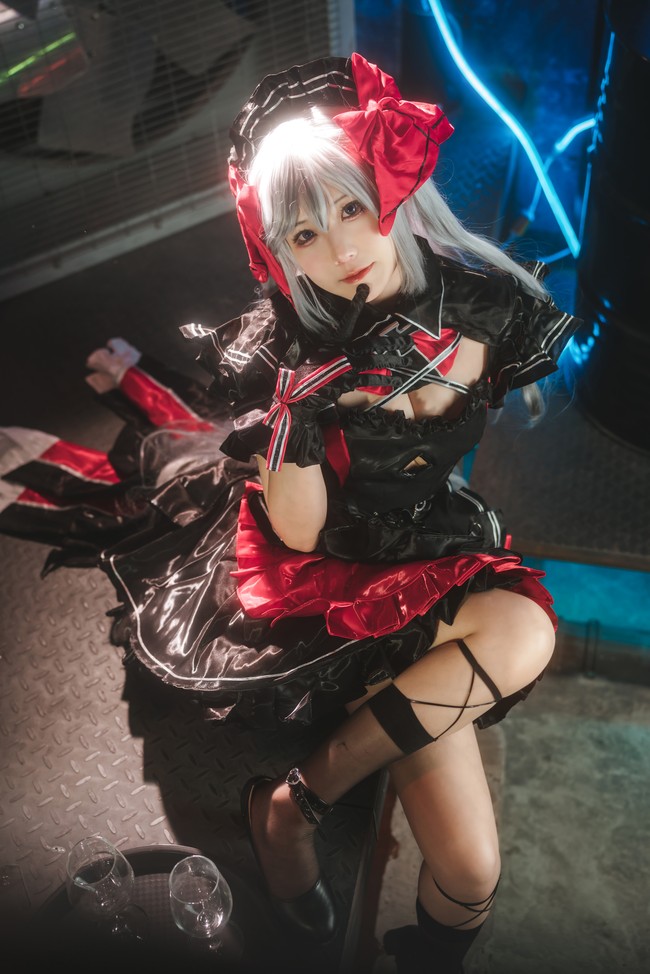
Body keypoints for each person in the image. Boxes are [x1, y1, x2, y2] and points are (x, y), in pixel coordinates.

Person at [0, 54, 580, 973]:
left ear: (391, 185)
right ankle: (287, 814)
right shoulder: (290, 349)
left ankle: (292, 804)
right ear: (280, 249)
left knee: (474, 863)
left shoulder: (484, 301)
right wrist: (298, 415)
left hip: (431, 550)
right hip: (327, 577)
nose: (341, 249)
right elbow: (301, 533)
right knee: (505, 714)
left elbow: (480, 414)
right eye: (305, 233)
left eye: (353, 206)